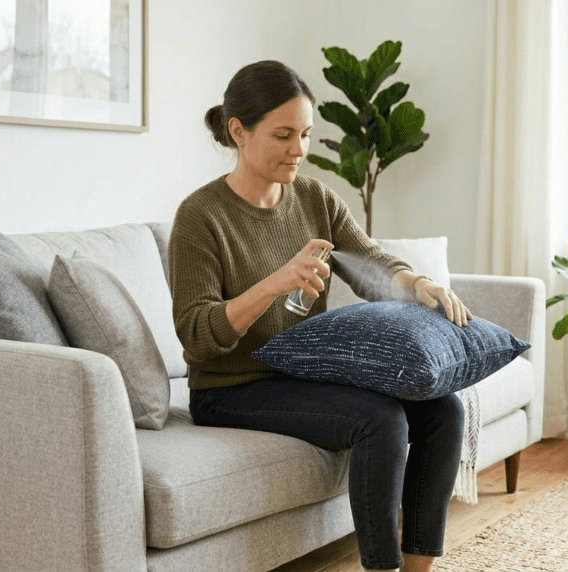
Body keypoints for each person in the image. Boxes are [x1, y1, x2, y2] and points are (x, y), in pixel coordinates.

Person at [168, 60, 472, 572]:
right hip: (231, 388)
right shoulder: (201, 216)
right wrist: (275, 283)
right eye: (284, 135)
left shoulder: (314, 197)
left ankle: (420, 566)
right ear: (239, 131)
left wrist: (418, 284)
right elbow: (198, 339)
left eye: (306, 134)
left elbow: (369, 262)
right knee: (379, 420)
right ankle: (382, 567)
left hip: (303, 375)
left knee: (445, 410)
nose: (300, 150)